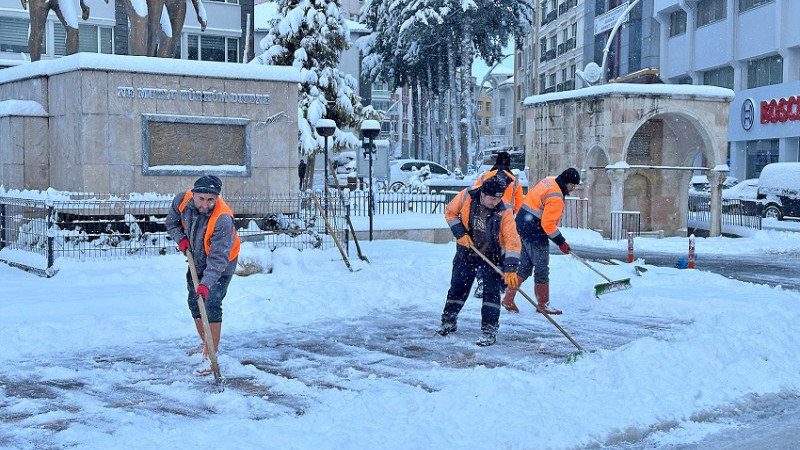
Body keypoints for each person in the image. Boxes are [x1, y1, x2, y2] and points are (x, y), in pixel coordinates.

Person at [166, 175, 240, 374]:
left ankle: (210, 355)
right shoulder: (182, 200)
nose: (205, 204)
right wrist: (181, 240)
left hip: (222, 263)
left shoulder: (222, 218)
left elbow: (217, 260)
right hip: (196, 257)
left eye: (210, 200)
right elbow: (172, 223)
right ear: (193, 194)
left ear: (216, 198)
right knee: (194, 301)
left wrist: (206, 285)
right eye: (201, 198)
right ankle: (205, 342)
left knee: (211, 303)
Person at [437, 176, 522, 346]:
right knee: (458, 285)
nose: (495, 201)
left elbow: (512, 240)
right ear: (482, 194)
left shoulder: (504, 210)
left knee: (491, 292)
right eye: (492, 197)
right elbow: (450, 213)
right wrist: (460, 233)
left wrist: (511, 268)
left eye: (498, 197)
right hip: (467, 249)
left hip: (492, 255)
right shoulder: (466, 195)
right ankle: (448, 320)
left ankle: (489, 330)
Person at [502, 168, 580, 315]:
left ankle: (508, 298)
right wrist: (561, 242)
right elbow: (548, 224)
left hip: (521, 225)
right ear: (568, 183)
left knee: (524, 267)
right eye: (573, 185)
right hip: (535, 232)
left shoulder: (548, 181)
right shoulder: (557, 197)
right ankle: (543, 304)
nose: (573, 189)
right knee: (541, 268)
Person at [472, 151, 525, 298]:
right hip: (504, 220)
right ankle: (501, 281)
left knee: (485, 250)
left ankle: (482, 281)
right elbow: (520, 204)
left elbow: (474, 195)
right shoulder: (514, 181)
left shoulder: (484, 177)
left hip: (485, 219)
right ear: (509, 164)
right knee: (502, 251)